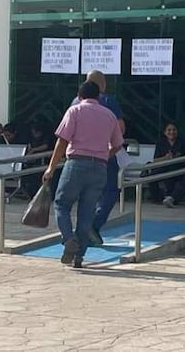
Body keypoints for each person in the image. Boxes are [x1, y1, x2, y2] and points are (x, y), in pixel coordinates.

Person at [43, 81, 123, 269]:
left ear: (79, 96)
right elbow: (118, 144)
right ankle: (79, 257)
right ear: (98, 97)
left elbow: (62, 142)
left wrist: (51, 168)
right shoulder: (110, 115)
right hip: (100, 168)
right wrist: (104, 155)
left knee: (62, 204)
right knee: (87, 212)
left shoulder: (75, 111)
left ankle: (69, 239)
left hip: (76, 164)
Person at [71, 70, 126, 247]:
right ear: (102, 84)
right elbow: (120, 129)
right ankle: (93, 225)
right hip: (103, 155)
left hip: (78, 157)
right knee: (110, 191)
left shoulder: (75, 102)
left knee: (85, 195)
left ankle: (79, 233)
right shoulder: (108, 101)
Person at [151, 123, 185, 207]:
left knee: (172, 175)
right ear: (165, 132)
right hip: (164, 166)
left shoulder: (184, 142)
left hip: (179, 167)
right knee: (151, 176)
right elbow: (155, 160)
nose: (172, 132)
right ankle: (156, 198)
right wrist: (165, 158)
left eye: (174, 130)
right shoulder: (160, 143)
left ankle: (171, 197)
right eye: (169, 130)